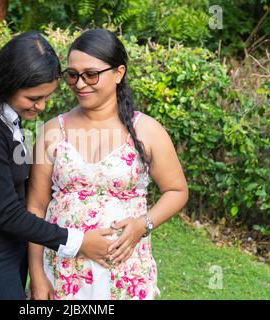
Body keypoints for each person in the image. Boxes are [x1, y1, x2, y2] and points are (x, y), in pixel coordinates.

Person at [0, 31, 115, 300]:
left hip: (5, 250)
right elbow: (9, 214)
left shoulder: (4, 117)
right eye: (34, 98)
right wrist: (80, 242)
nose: (41, 106)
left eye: (47, 97)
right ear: (8, 84)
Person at [27, 29, 189, 300]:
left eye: (91, 74)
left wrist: (143, 224)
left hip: (125, 271)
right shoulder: (52, 130)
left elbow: (177, 190)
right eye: (73, 75)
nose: (80, 84)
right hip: (62, 269)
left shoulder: (147, 130)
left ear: (118, 73)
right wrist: (36, 274)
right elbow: (35, 207)